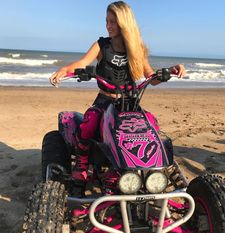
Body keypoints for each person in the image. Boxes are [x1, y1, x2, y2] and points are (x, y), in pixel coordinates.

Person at [49, 1, 186, 183]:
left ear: (124, 23)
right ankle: (81, 165)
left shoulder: (136, 49)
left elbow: (151, 78)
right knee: (88, 125)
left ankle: (149, 167)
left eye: (113, 21)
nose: (108, 26)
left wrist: (170, 71)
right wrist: (64, 70)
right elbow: (83, 63)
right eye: (107, 21)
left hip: (129, 104)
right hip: (104, 101)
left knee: (151, 124)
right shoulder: (101, 45)